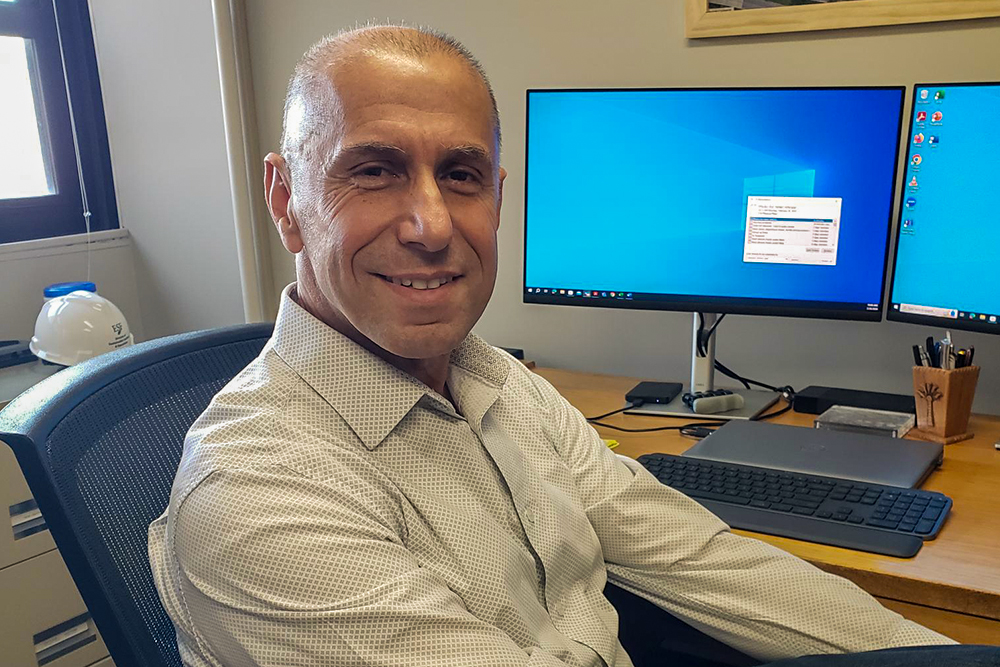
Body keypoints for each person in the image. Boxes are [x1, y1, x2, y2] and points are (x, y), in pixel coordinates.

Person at [148, 25, 999, 667]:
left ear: (499, 196)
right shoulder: (259, 499)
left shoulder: (495, 381)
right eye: (372, 170)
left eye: (461, 173)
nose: (432, 225)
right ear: (285, 197)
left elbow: (695, 555)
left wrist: (929, 652)